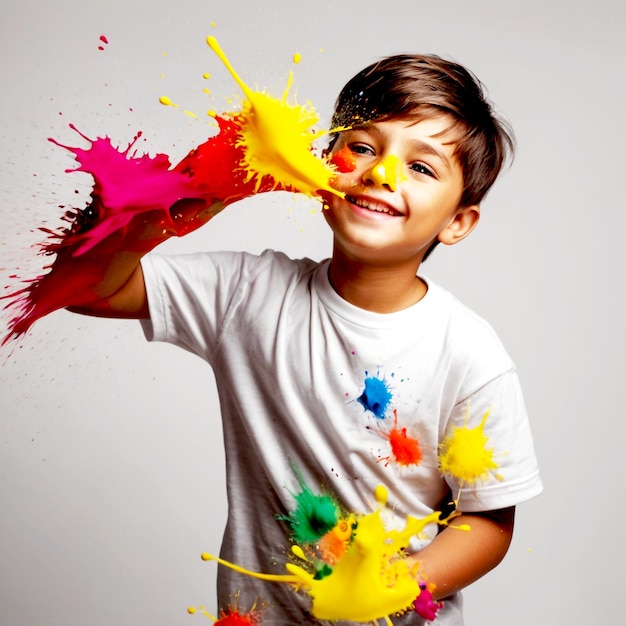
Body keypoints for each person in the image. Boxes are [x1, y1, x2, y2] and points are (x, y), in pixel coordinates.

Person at [69, 54, 543, 625]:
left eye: (422, 168)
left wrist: (393, 584)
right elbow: (93, 290)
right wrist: (200, 194)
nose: (382, 173)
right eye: (363, 147)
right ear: (322, 169)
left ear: (457, 223)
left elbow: (490, 521)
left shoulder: (468, 353)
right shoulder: (246, 292)